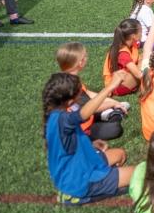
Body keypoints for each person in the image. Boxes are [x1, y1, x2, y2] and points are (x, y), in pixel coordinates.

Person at [42, 71, 135, 205]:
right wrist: (110, 87)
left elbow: (66, 144)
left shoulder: (54, 114)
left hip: (79, 165)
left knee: (120, 154)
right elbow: (83, 114)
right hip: (80, 179)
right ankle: (83, 194)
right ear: (69, 100)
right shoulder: (63, 119)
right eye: (78, 93)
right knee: (141, 173)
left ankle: (106, 181)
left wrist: (90, 145)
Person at [56, 42, 127, 141]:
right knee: (115, 128)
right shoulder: (68, 86)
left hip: (84, 115)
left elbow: (87, 93)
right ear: (80, 62)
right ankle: (109, 115)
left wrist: (109, 100)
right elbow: (87, 108)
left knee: (114, 110)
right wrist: (111, 103)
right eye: (85, 56)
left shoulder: (68, 78)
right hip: (80, 128)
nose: (87, 57)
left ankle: (109, 114)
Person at [102, 18, 143, 96]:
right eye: (140, 31)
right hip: (116, 87)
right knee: (146, 63)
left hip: (124, 78)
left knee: (146, 57)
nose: (142, 33)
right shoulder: (123, 54)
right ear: (133, 36)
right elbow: (138, 75)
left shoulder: (130, 43)